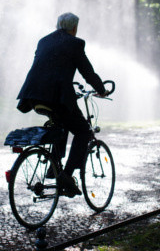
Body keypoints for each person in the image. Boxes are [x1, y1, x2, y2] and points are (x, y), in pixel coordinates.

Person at [16, 12, 107, 197]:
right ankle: (66, 175)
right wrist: (102, 89)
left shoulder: (43, 41)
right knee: (83, 132)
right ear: (74, 28)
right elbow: (87, 73)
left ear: (58, 25)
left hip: (33, 96)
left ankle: (53, 168)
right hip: (56, 97)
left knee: (61, 125)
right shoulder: (75, 43)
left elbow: (46, 66)